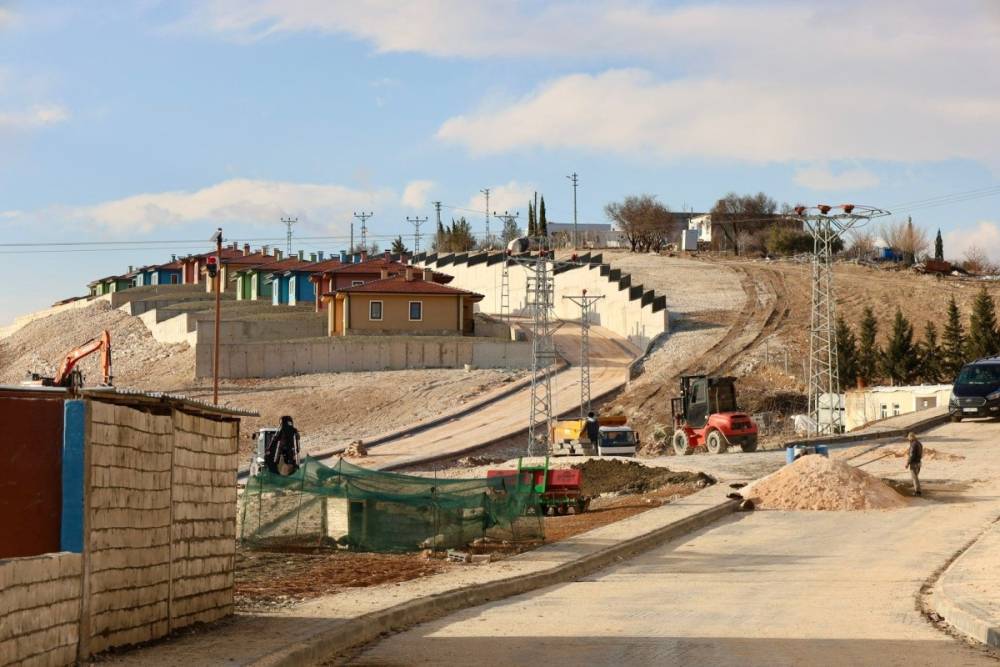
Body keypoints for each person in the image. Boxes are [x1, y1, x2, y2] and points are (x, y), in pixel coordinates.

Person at [905, 432, 923, 496]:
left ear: (911, 437)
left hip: (914, 463)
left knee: (914, 478)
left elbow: (911, 455)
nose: (908, 439)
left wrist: (907, 463)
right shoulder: (919, 443)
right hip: (919, 462)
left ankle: (918, 492)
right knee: (916, 477)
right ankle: (918, 490)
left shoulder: (913, 444)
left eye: (908, 438)